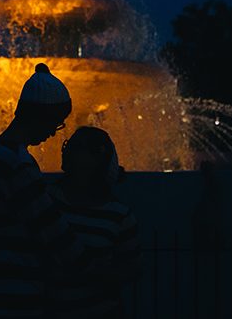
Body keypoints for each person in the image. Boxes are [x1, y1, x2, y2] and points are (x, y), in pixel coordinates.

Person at [0, 63, 92, 319]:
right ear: (40, 115)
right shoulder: (19, 163)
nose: (53, 133)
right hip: (15, 293)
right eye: (55, 123)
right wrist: (92, 268)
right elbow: (51, 228)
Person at [46, 126, 142, 319]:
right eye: (73, 147)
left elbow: (133, 267)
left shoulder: (118, 215)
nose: (74, 153)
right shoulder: (47, 200)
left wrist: (99, 276)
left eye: (82, 148)